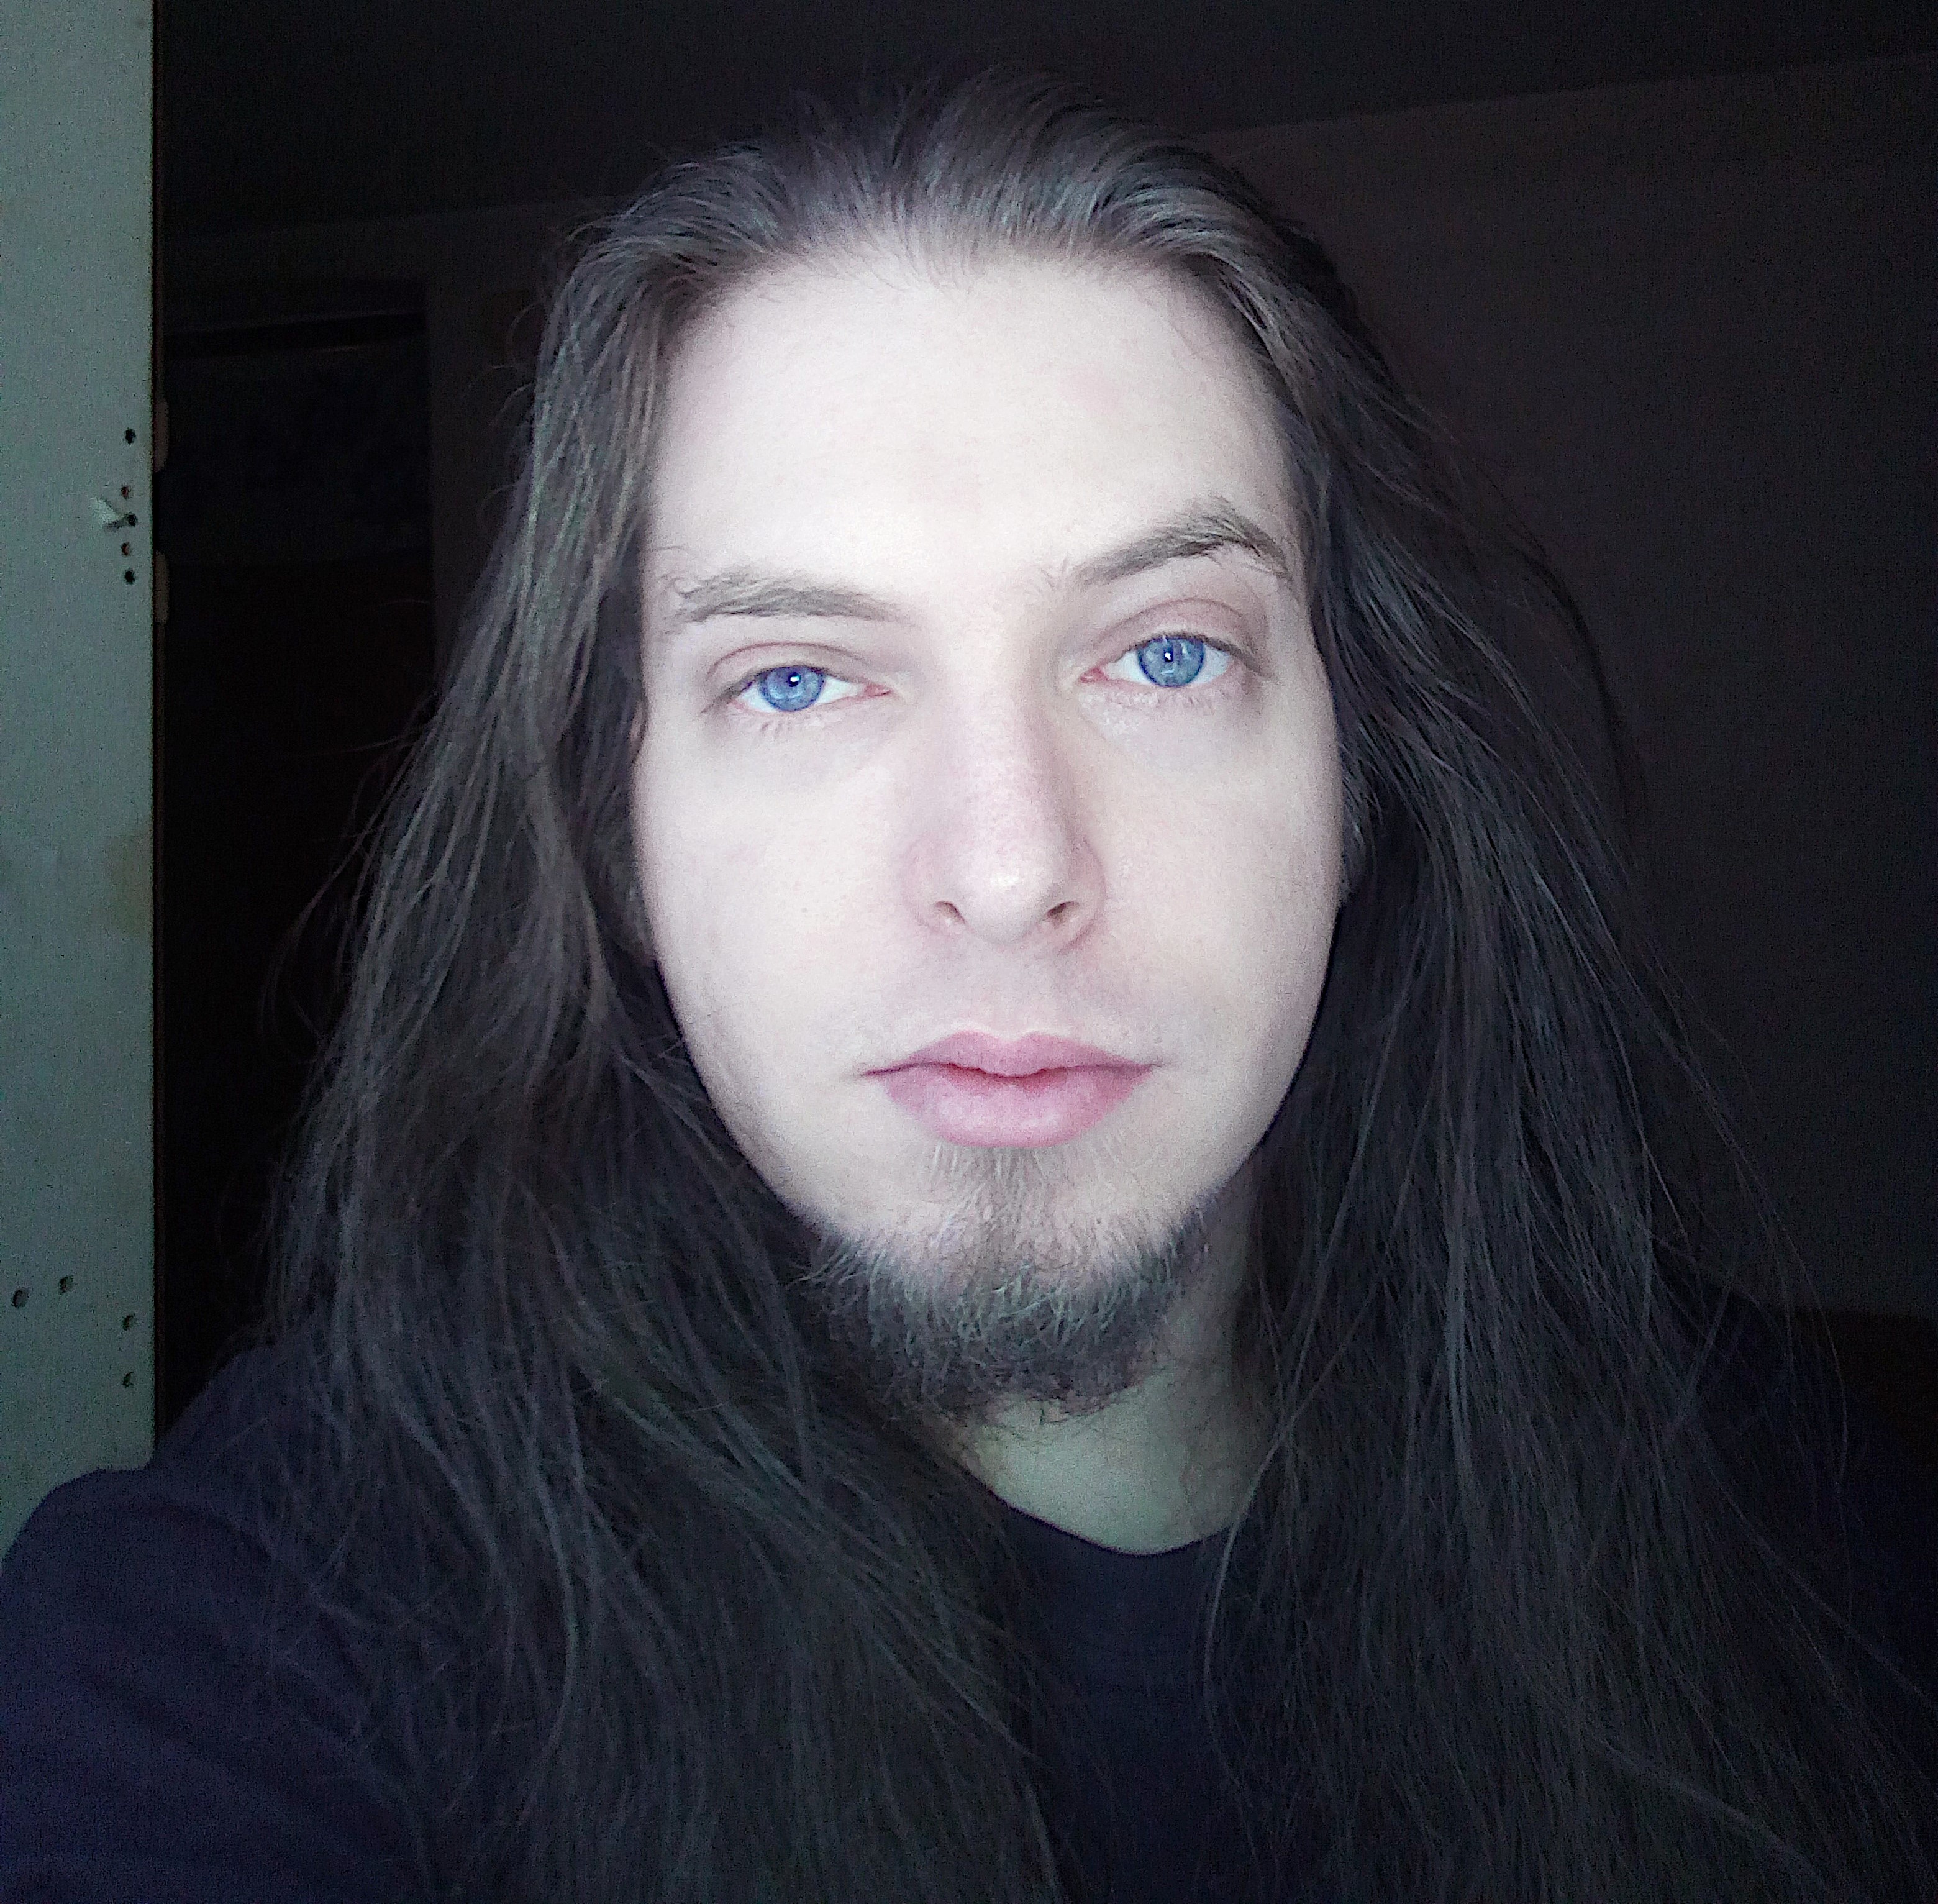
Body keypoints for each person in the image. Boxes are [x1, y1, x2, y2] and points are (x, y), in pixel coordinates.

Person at [3, 70, 1935, 1904]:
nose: (1009, 869)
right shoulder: (246, 1640)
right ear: (617, 842)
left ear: (1363, 784)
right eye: (796, 678)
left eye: (1167, 655)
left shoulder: (1793, 1524)